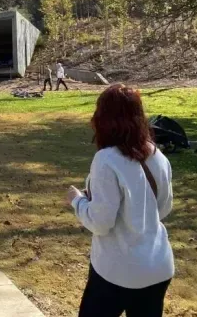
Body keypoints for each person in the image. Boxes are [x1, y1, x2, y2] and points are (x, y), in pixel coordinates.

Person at [66, 84, 174, 317]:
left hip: (118, 270)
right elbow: (163, 208)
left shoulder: (106, 159)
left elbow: (101, 223)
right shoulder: (157, 154)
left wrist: (78, 201)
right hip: (157, 266)